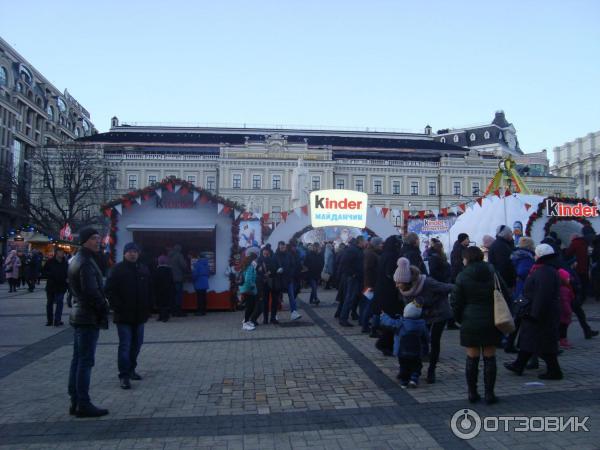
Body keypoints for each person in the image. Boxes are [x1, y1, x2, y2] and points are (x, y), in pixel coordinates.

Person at [451, 246, 504, 404]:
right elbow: (505, 293)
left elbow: (456, 301)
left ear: (467, 258)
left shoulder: (462, 276)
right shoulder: (492, 273)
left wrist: (459, 318)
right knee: (490, 357)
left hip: (470, 320)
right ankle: (489, 394)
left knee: (472, 357)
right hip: (491, 318)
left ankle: (472, 393)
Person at [505, 244, 563, 380]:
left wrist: (535, 314)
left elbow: (542, 295)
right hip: (539, 311)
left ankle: (554, 371)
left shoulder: (545, 271)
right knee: (529, 339)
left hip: (540, 313)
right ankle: (519, 364)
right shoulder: (547, 269)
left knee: (541, 342)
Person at [67, 228, 109, 417]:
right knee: (85, 360)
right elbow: (91, 292)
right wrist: (104, 306)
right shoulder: (85, 262)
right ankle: (83, 403)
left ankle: (75, 400)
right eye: (94, 239)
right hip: (87, 315)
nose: (97, 241)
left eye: (98, 238)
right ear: (84, 241)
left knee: (78, 359)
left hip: (80, 314)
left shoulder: (77, 259)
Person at [394, 257, 454, 384]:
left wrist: (432, 299)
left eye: (399, 282)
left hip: (439, 313)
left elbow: (448, 287)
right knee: (418, 342)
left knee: (434, 341)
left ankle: (431, 370)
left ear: (407, 281)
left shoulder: (427, 283)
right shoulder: (403, 289)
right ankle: (412, 370)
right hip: (422, 316)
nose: (397, 285)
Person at [105, 242, 152, 390]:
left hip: (140, 315)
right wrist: (118, 306)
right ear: (125, 253)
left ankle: (131, 369)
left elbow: (149, 289)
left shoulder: (143, 269)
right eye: (130, 251)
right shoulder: (117, 270)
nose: (133, 254)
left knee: (137, 344)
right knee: (125, 345)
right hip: (123, 315)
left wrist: (149, 306)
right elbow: (109, 291)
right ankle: (124, 375)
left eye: (135, 251)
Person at [505, 236, 536, 354]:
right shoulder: (526, 257)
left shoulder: (516, 255)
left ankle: (510, 343)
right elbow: (523, 271)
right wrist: (530, 277)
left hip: (518, 289)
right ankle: (520, 345)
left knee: (518, 318)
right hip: (524, 289)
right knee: (523, 318)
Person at [374, 235, 403, 350]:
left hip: (382, 291)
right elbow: (391, 274)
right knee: (392, 318)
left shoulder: (384, 255)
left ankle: (385, 343)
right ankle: (385, 344)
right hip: (389, 292)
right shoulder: (392, 256)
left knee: (388, 318)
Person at [396, 302, 429, 389]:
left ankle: (404, 382)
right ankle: (414, 379)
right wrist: (426, 348)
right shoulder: (422, 324)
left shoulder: (402, 323)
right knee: (417, 366)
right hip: (416, 350)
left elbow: (392, 325)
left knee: (404, 366)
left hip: (403, 350)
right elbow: (426, 337)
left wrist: (384, 317)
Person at [338, 236, 365, 327]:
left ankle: (352, 315)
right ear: (359, 242)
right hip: (353, 278)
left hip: (357, 278)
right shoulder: (352, 250)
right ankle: (343, 318)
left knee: (354, 298)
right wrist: (352, 274)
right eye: (364, 241)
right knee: (349, 298)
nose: (365, 243)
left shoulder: (357, 250)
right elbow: (344, 263)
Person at [274, 241, 302, 321]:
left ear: (285, 247)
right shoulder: (276, 256)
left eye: (283, 247)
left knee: (291, 296)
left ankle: (294, 312)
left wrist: (290, 273)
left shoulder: (289, 255)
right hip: (279, 279)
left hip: (288, 279)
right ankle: (274, 314)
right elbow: (272, 266)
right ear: (278, 247)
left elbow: (293, 266)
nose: (282, 248)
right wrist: (277, 270)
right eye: (281, 247)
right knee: (277, 297)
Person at [360, 236, 383, 333]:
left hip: (368, 284)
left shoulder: (369, 253)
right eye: (380, 244)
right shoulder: (371, 255)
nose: (382, 245)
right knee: (370, 305)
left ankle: (364, 323)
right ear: (376, 245)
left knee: (367, 305)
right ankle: (365, 325)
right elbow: (369, 270)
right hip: (370, 285)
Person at [43, 247, 68, 327]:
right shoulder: (50, 262)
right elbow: (43, 271)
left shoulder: (65, 262)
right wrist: (51, 275)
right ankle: (49, 320)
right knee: (49, 303)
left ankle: (57, 320)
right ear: (56, 253)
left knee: (60, 303)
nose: (62, 253)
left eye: (63, 252)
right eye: (60, 252)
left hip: (61, 286)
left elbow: (68, 272)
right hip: (51, 286)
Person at [488, 225, 516, 290]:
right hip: (504, 282)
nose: (512, 235)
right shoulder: (501, 246)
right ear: (506, 234)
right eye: (510, 233)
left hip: (503, 280)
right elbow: (504, 266)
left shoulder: (502, 244)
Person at [564, 233, 590, 301]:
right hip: (585, 266)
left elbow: (568, 253)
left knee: (578, 281)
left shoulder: (574, 243)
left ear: (573, 238)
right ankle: (584, 295)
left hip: (577, 266)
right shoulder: (585, 243)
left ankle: (579, 297)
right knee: (584, 281)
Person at [257, 247, 279, 324]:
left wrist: (270, 272)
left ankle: (273, 317)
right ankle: (265, 319)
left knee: (274, 301)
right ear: (262, 253)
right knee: (265, 302)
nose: (266, 255)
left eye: (267, 253)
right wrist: (262, 274)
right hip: (264, 283)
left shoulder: (273, 259)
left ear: (269, 253)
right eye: (264, 253)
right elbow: (257, 271)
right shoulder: (259, 260)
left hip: (273, 282)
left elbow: (276, 268)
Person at [168, 244, 188, 316]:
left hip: (170, 278)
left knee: (172, 295)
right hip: (178, 278)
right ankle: (178, 311)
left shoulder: (169, 255)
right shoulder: (179, 255)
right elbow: (184, 266)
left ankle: (172, 311)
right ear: (179, 249)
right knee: (178, 295)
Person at [240, 253, 258, 330]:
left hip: (246, 289)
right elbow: (248, 278)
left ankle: (247, 321)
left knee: (251, 306)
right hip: (249, 289)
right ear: (253, 259)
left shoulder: (246, 266)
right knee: (250, 306)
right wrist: (251, 285)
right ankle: (245, 323)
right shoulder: (250, 267)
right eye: (256, 259)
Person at [154, 255, 175, 322]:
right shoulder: (169, 270)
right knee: (166, 303)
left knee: (160, 303)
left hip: (159, 289)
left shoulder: (157, 270)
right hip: (167, 289)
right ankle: (165, 317)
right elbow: (171, 280)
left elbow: (155, 280)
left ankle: (160, 316)